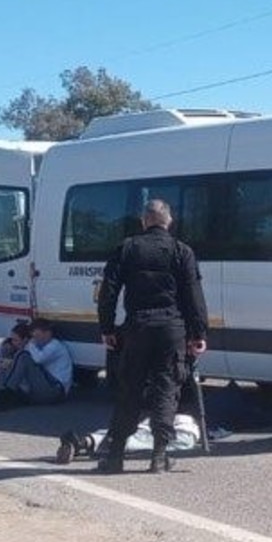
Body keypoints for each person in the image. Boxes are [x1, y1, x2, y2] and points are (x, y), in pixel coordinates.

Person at [95, 198, 209, 474]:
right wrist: (199, 333)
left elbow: (108, 291)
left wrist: (107, 328)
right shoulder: (182, 251)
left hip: (137, 327)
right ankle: (159, 456)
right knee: (166, 389)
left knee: (129, 389)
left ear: (144, 221)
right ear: (168, 221)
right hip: (172, 329)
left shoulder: (127, 248)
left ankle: (115, 456)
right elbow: (194, 296)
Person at [0, 317, 73, 413]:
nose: (35, 339)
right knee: (3, 367)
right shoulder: (38, 346)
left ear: (48, 333)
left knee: (23, 356)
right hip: (42, 386)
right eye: (33, 337)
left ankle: (5, 394)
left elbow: (37, 359)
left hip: (55, 390)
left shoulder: (55, 346)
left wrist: (28, 344)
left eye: (37, 336)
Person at [55, 413, 206, 464]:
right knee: (138, 440)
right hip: (185, 432)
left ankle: (84, 443)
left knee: (134, 438)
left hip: (182, 431)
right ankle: (83, 444)